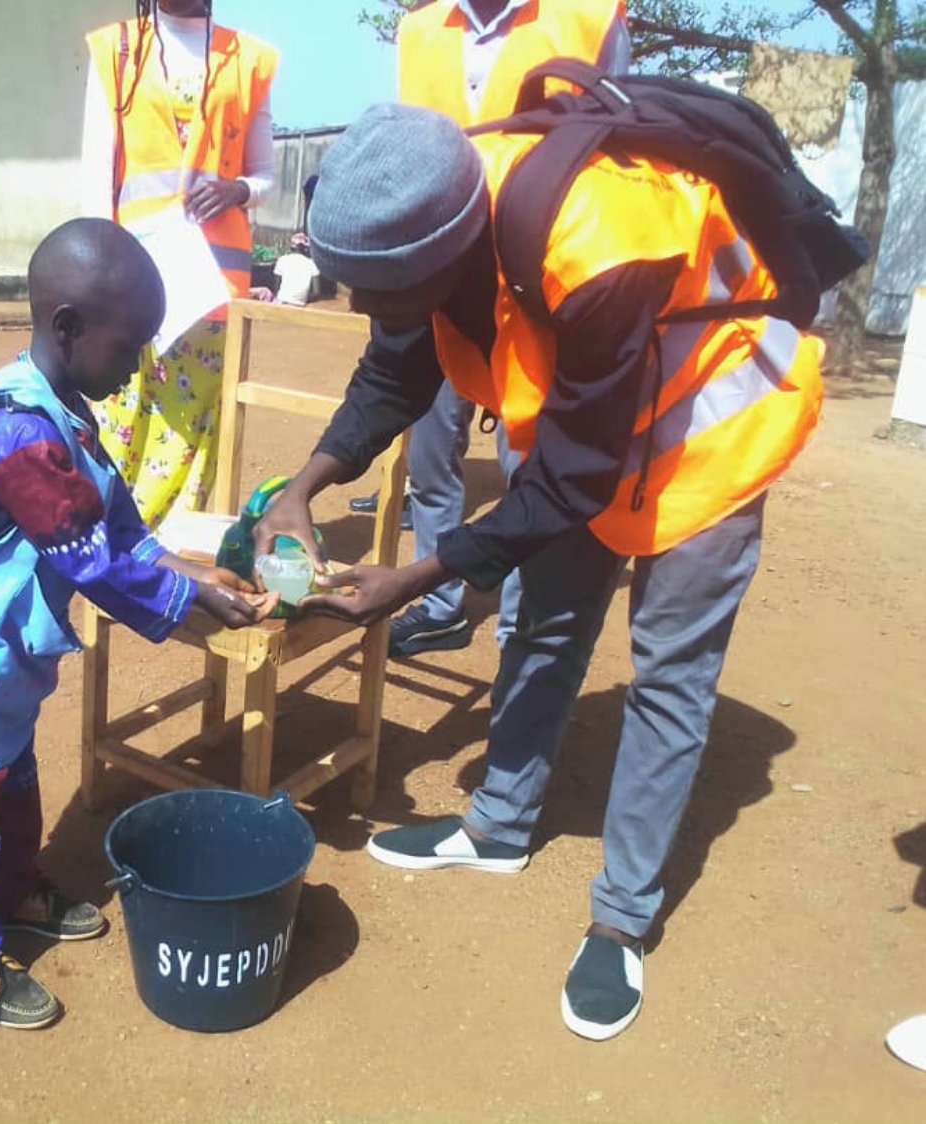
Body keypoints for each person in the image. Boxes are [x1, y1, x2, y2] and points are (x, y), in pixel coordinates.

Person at [256, 105, 823, 1040]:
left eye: (369, 291)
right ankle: (498, 826)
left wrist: (418, 578)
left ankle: (622, 920)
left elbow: (570, 479)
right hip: (593, 415)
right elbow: (394, 371)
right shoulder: (428, 216)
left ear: (435, 263)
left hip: (711, 419)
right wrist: (304, 488)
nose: (357, 306)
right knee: (547, 618)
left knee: (670, 674)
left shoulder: (594, 242)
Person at [0, 218, 277, 1030]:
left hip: (7, 663)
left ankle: (15, 887)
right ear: (67, 327)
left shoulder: (67, 415)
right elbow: (87, 556)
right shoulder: (17, 433)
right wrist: (187, 600)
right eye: (129, 345)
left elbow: (119, 529)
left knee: (11, 787)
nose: (139, 365)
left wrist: (194, 571)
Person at [353, 0, 630, 658]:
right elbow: (404, 151)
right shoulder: (419, 30)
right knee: (431, 459)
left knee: (528, 465)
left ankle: (518, 627)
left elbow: (620, 148)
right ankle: (441, 604)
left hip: (542, 291)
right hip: (446, 284)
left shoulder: (590, 16)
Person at [82, 0, 279, 527]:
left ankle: (173, 552)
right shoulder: (117, 49)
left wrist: (238, 190)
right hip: (132, 276)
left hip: (212, 286)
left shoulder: (251, 59)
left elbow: (265, 175)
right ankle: (116, 542)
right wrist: (100, 272)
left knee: (194, 427)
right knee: (122, 414)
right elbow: (97, 174)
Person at [273, 232, 319, 308]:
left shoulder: (282, 260)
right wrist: (302, 299)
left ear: (291, 247)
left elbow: (276, 288)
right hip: (300, 305)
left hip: (281, 302)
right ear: (306, 249)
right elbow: (316, 293)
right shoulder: (312, 264)